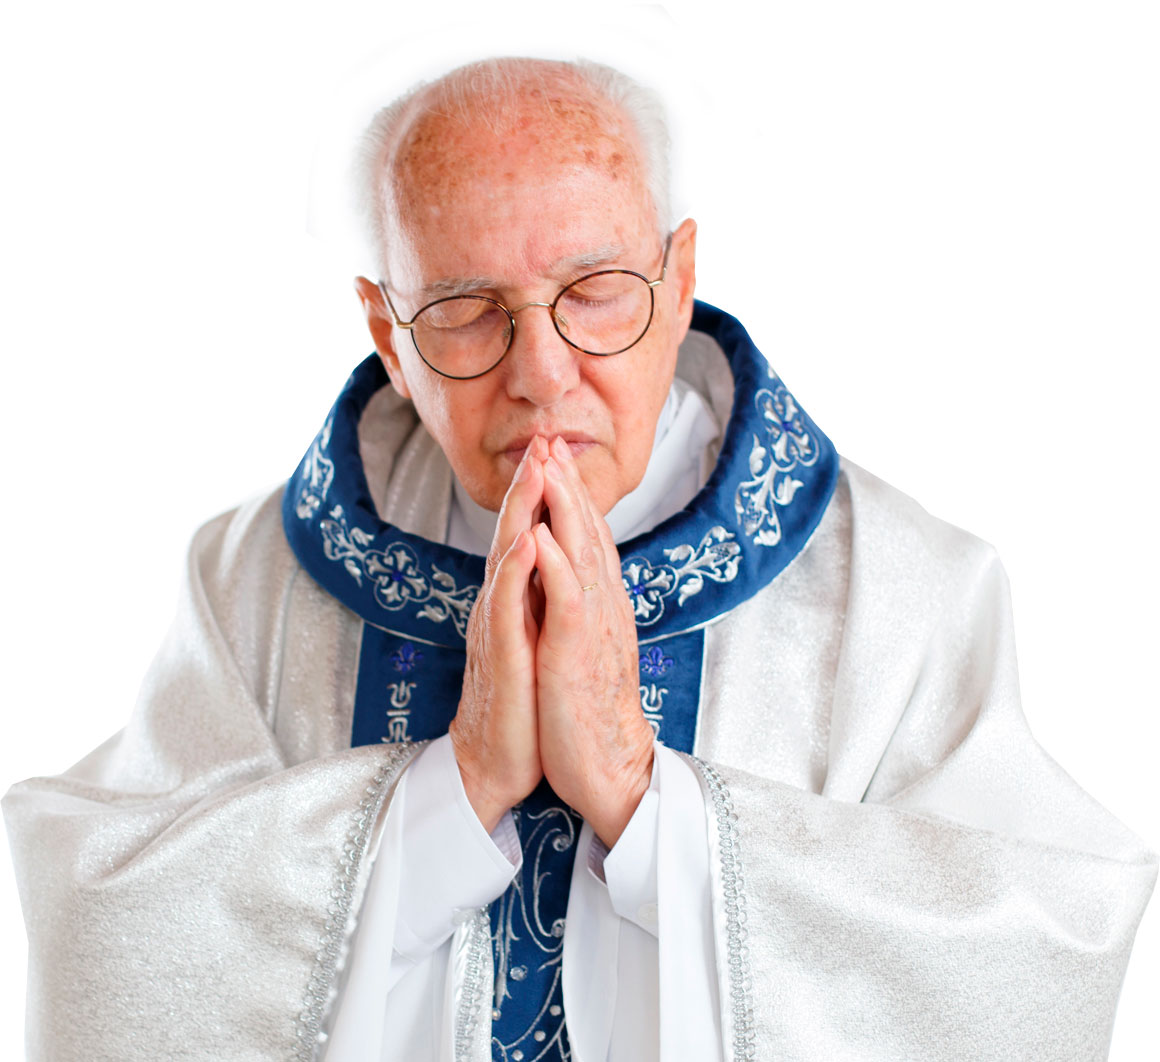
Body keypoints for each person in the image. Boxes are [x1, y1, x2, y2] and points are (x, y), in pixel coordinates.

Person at [4, 55, 1155, 1062]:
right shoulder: (252, 583)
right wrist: (447, 792)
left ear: (678, 279)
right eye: (464, 310)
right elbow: (109, 944)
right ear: (387, 333)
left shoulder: (896, 593)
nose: (540, 375)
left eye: (595, 294)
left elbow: (1033, 961)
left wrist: (647, 803)